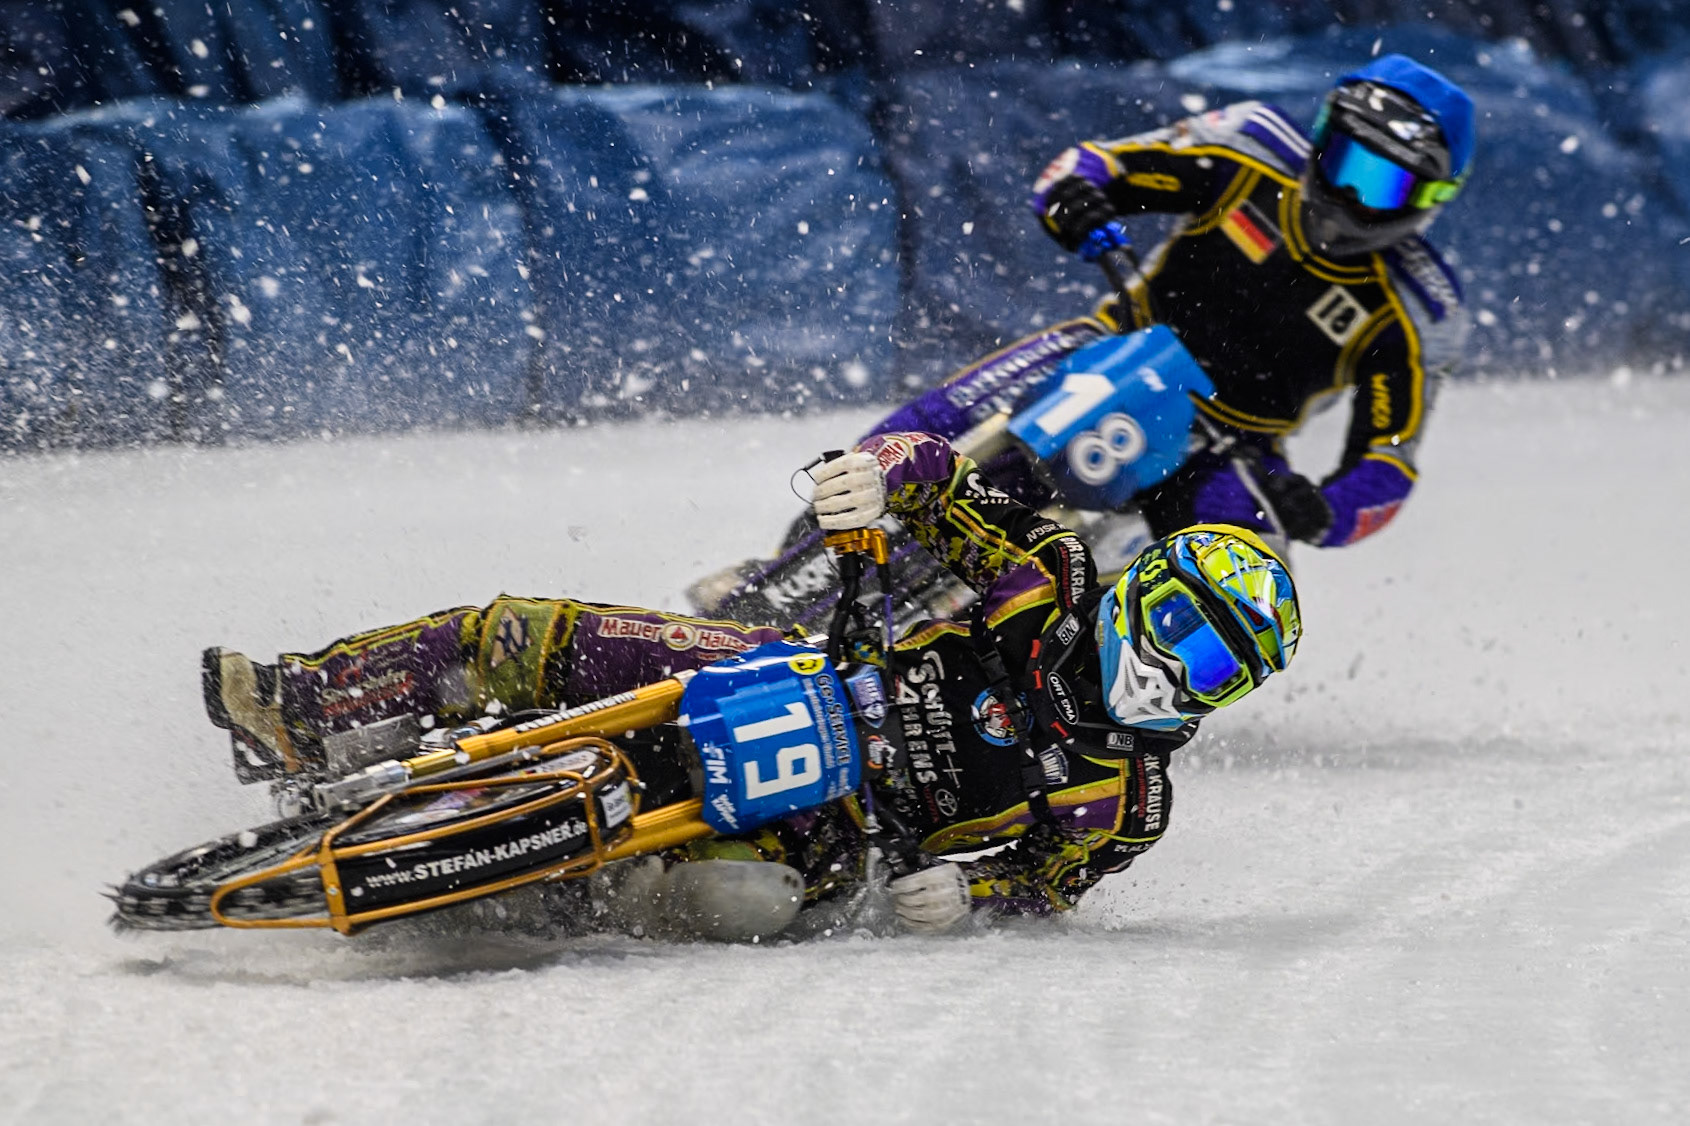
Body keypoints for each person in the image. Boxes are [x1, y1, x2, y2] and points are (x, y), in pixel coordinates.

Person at [203, 432, 1300, 935]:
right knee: (529, 632)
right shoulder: (1048, 583)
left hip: (836, 833)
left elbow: (1051, 880)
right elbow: (952, 490)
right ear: (1137, 595)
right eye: (1179, 632)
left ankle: (503, 892)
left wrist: (975, 894)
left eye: (1216, 669)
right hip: (799, 675)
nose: (1176, 672)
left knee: (733, 902)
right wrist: (885, 475)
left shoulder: (1128, 804)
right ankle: (307, 704)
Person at [1030, 52, 1475, 548]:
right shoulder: (1249, 143)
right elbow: (1099, 164)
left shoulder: (1423, 310)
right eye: (1344, 160)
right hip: (1108, 350)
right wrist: (1075, 198)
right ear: (1322, 135)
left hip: (1231, 448)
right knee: (931, 430)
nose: (1348, 194)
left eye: (1380, 186)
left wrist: (1326, 511)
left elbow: (1389, 461)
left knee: (1250, 581)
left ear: (1428, 200)